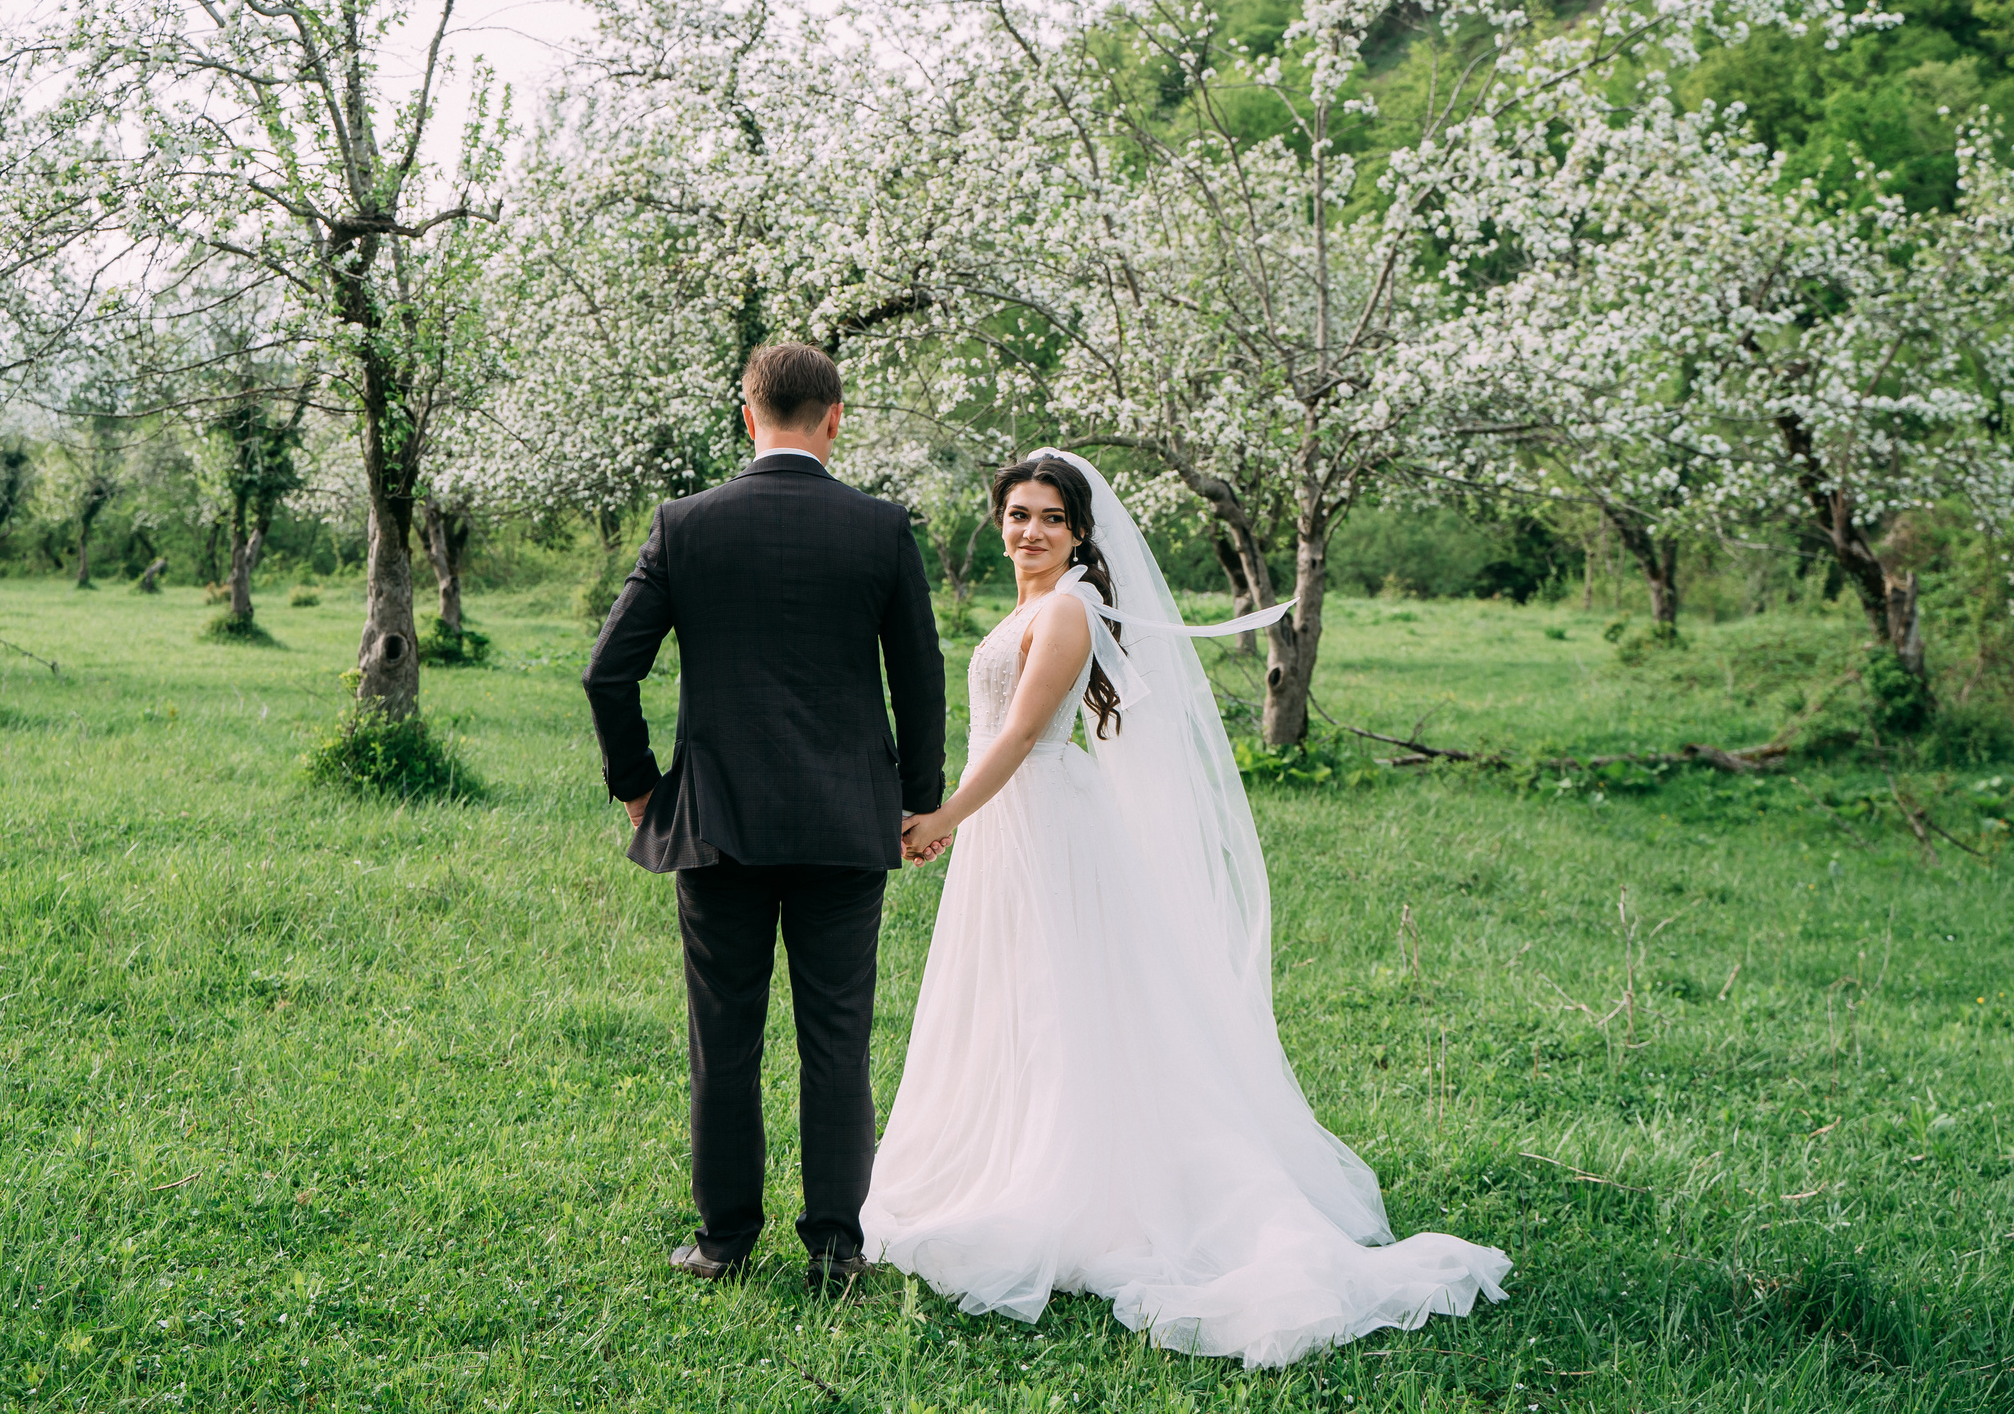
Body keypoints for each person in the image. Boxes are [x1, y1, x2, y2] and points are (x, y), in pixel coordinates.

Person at [869, 451, 1509, 1369]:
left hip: (1043, 823)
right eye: (1017, 513)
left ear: (1081, 531)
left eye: (1052, 516)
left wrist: (942, 818)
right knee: (1014, 999)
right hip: (1012, 827)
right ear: (999, 520)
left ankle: (1076, 1187)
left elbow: (1017, 735)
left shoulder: (1067, 611)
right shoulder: (1026, 605)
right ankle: (1014, 1158)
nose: (1032, 530)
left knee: (1062, 1003)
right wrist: (960, 824)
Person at [582, 343, 947, 1290]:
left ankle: (723, 1240)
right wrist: (919, 801)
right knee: (838, 1035)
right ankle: (835, 1247)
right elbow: (920, 682)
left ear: (749, 415)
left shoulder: (685, 525)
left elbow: (606, 671)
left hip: (716, 823)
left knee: (725, 1033)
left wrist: (639, 789)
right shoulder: (881, 528)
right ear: (835, 417)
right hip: (845, 825)